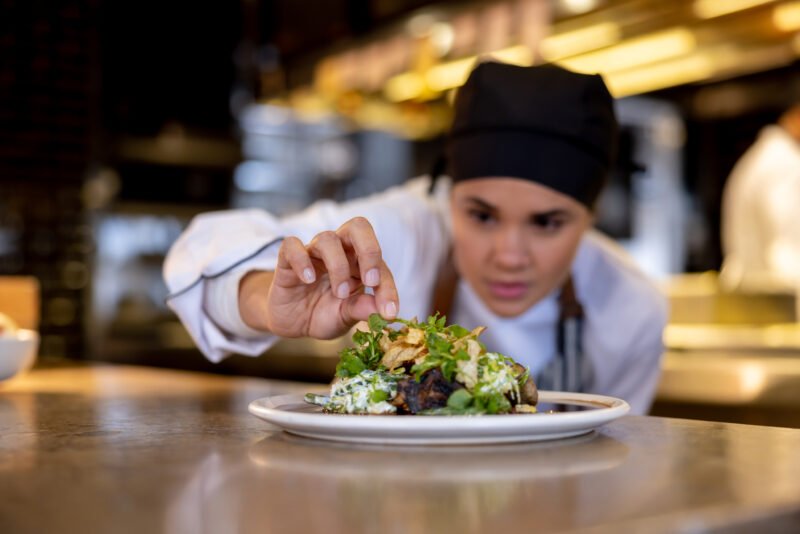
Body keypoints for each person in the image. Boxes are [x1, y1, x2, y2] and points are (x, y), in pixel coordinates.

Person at [163, 61, 668, 414]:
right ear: (448, 196)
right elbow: (203, 249)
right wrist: (266, 302)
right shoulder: (404, 233)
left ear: (591, 215)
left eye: (547, 223)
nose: (509, 256)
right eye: (482, 216)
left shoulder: (633, 310)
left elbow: (609, 470)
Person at [721, 103, 800, 295]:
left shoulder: (759, 158)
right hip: (780, 299)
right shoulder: (786, 164)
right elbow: (787, 250)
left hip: (753, 292)